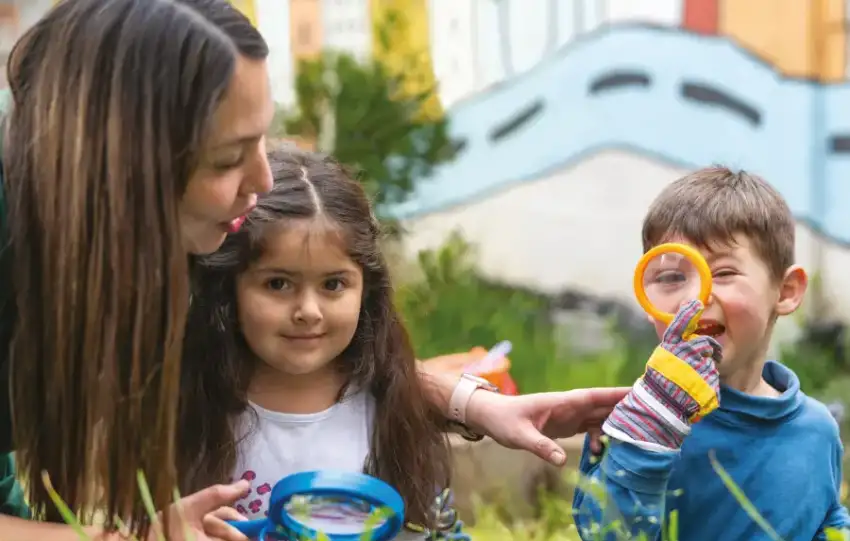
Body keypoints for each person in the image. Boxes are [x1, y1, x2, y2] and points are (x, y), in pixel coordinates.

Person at [0, 1, 629, 540]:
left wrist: (477, 407)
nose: (261, 180)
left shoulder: (183, 239)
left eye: (261, 139)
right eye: (227, 158)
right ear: (125, 164)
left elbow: (361, 371)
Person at [184, 148, 467, 540]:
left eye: (333, 284)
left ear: (366, 290)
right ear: (228, 289)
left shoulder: (390, 407)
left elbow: (433, 527)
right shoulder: (189, 405)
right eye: (277, 284)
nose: (308, 311)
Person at [572, 167, 850, 540]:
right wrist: (647, 432)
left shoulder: (817, 430)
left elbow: (825, 519)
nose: (695, 296)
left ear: (785, 291)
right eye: (672, 277)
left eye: (723, 273)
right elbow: (607, 533)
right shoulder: (638, 419)